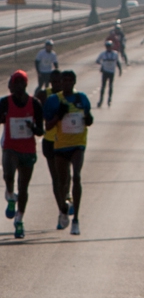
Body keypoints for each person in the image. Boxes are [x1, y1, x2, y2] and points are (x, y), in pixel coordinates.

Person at [0, 70, 44, 239]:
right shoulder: (5, 102)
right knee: (8, 175)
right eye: (15, 83)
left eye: (21, 83)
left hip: (27, 149)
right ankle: (10, 196)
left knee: (24, 187)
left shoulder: (35, 104)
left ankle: (19, 219)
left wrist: (32, 127)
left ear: (26, 84)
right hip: (10, 147)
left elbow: (41, 131)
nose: (18, 86)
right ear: (11, 86)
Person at [43, 70, 93, 235]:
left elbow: (88, 118)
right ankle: (63, 209)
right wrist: (59, 115)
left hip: (78, 144)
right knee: (62, 181)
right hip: (60, 146)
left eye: (69, 81)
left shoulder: (81, 98)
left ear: (74, 82)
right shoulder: (53, 100)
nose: (66, 83)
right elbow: (48, 127)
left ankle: (76, 219)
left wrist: (88, 119)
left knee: (77, 176)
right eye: (64, 81)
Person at [35, 70, 72, 226]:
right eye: (54, 82)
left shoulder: (70, 96)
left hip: (66, 140)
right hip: (50, 141)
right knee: (56, 178)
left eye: (59, 82)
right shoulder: (45, 96)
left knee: (67, 175)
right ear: (50, 82)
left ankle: (67, 196)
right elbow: (41, 116)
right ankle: (61, 210)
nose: (57, 85)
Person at [96, 40, 122, 108]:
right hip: (105, 71)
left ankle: (109, 99)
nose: (108, 48)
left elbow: (117, 62)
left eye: (109, 47)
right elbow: (97, 60)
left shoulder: (115, 54)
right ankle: (101, 100)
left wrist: (120, 70)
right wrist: (103, 64)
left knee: (110, 86)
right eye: (107, 47)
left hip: (111, 72)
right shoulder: (103, 54)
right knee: (103, 86)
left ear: (112, 47)